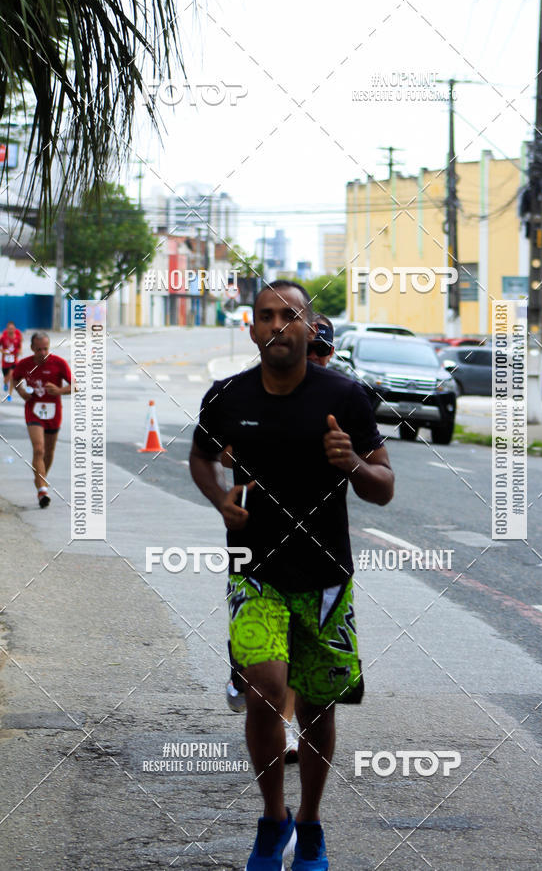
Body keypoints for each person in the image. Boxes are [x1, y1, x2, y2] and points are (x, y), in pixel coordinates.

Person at [189, 281, 394, 870]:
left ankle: (310, 823)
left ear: (311, 328)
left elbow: (384, 487)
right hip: (252, 570)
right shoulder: (226, 397)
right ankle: (272, 818)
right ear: (252, 329)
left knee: (319, 708)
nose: (277, 324)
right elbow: (201, 457)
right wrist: (220, 501)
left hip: (326, 577)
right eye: (266, 315)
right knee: (263, 689)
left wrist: (351, 462)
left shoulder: (347, 398)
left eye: (290, 315)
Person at [223, 312, 337, 765]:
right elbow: (219, 450)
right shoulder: (249, 393)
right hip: (253, 535)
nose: (315, 360)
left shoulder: (337, 400)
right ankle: (240, 670)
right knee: (253, 640)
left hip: (313, 546)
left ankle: (286, 728)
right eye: (310, 352)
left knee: (292, 639)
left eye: (321, 353)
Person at [12, 332, 72, 508]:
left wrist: (60, 391)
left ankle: (40, 479)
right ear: (32, 348)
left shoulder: (59, 363)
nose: (42, 352)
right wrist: (21, 391)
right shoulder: (25, 364)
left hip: (53, 412)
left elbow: (75, 385)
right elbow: (15, 379)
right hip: (33, 410)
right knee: (38, 449)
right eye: (38, 349)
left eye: (45, 348)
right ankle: (42, 491)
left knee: (49, 451)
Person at [1, 320, 23, 401]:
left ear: (14, 329)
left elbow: (20, 346)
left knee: (12, 376)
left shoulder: (17, 337)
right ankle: (5, 383)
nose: (11, 330)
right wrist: (3, 351)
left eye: (12, 328)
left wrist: (19, 351)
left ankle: (9, 394)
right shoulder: (3, 337)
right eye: (9, 329)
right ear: (7, 329)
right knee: (6, 378)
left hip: (14, 361)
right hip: (5, 362)